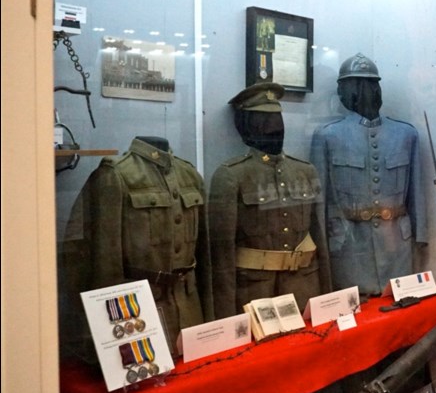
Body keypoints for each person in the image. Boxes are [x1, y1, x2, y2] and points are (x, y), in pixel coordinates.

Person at [61, 136, 213, 354]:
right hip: (141, 316)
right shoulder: (116, 175)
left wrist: (210, 318)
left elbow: (205, 256)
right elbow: (104, 263)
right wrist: (106, 336)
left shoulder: (189, 174)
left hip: (192, 314)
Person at [208, 82, 331, 317]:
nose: (275, 128)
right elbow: (222, 256)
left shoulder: (305, 171)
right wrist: (227, 317)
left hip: (304, 290)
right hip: (255, 295)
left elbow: (320, 242)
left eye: (277, 119)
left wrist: (326, 297)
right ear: (246, 126)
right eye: (264, 120)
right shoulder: (231, 176)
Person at [310, 53, 427, 296]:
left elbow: (416, 194)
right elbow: (320, 203)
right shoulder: (327, 136)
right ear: (343, 92)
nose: (365, 92)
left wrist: (420, 236)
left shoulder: (406, 135)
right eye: (357, 86)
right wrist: (321, 249)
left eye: (372, 86)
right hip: (348, 249)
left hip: (397, 249)